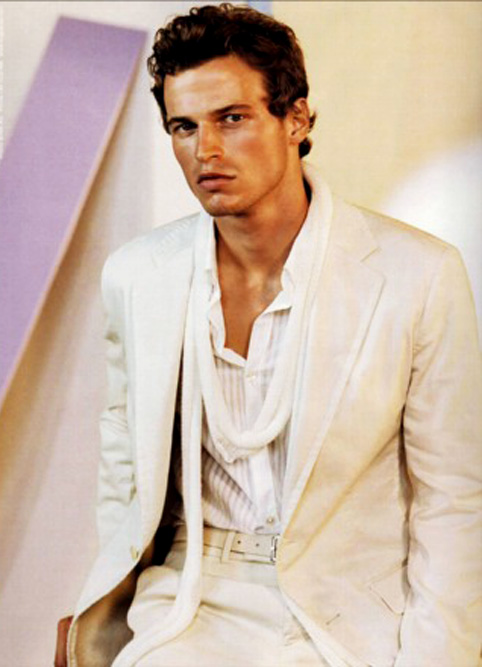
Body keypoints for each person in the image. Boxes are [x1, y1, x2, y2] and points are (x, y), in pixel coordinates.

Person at [58, 4, 482, 666]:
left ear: (296, 119)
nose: (206, 150)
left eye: (232, 118)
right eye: (183, 126)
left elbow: (453, 502)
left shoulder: (416, 274)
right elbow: (124, 474)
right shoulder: (138, 276)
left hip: (344, 613)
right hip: (186, 602)